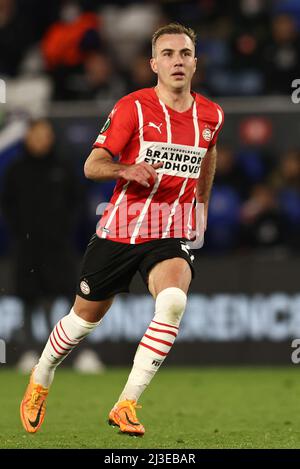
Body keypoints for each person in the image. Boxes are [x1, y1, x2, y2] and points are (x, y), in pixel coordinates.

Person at [20, 23, 224, 437]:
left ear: (195, 62)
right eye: (167, 54)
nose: (177, 61)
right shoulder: (133, 107)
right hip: (121, 228)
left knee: (172, 303)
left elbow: (208, 155)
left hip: (168, 231)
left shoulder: (211, 115)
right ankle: (41, 377)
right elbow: (91, 165)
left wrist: (200, 206)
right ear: (153, 64)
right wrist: (125, 168)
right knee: (82, 322)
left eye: (184, 54)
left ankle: (126, 403)